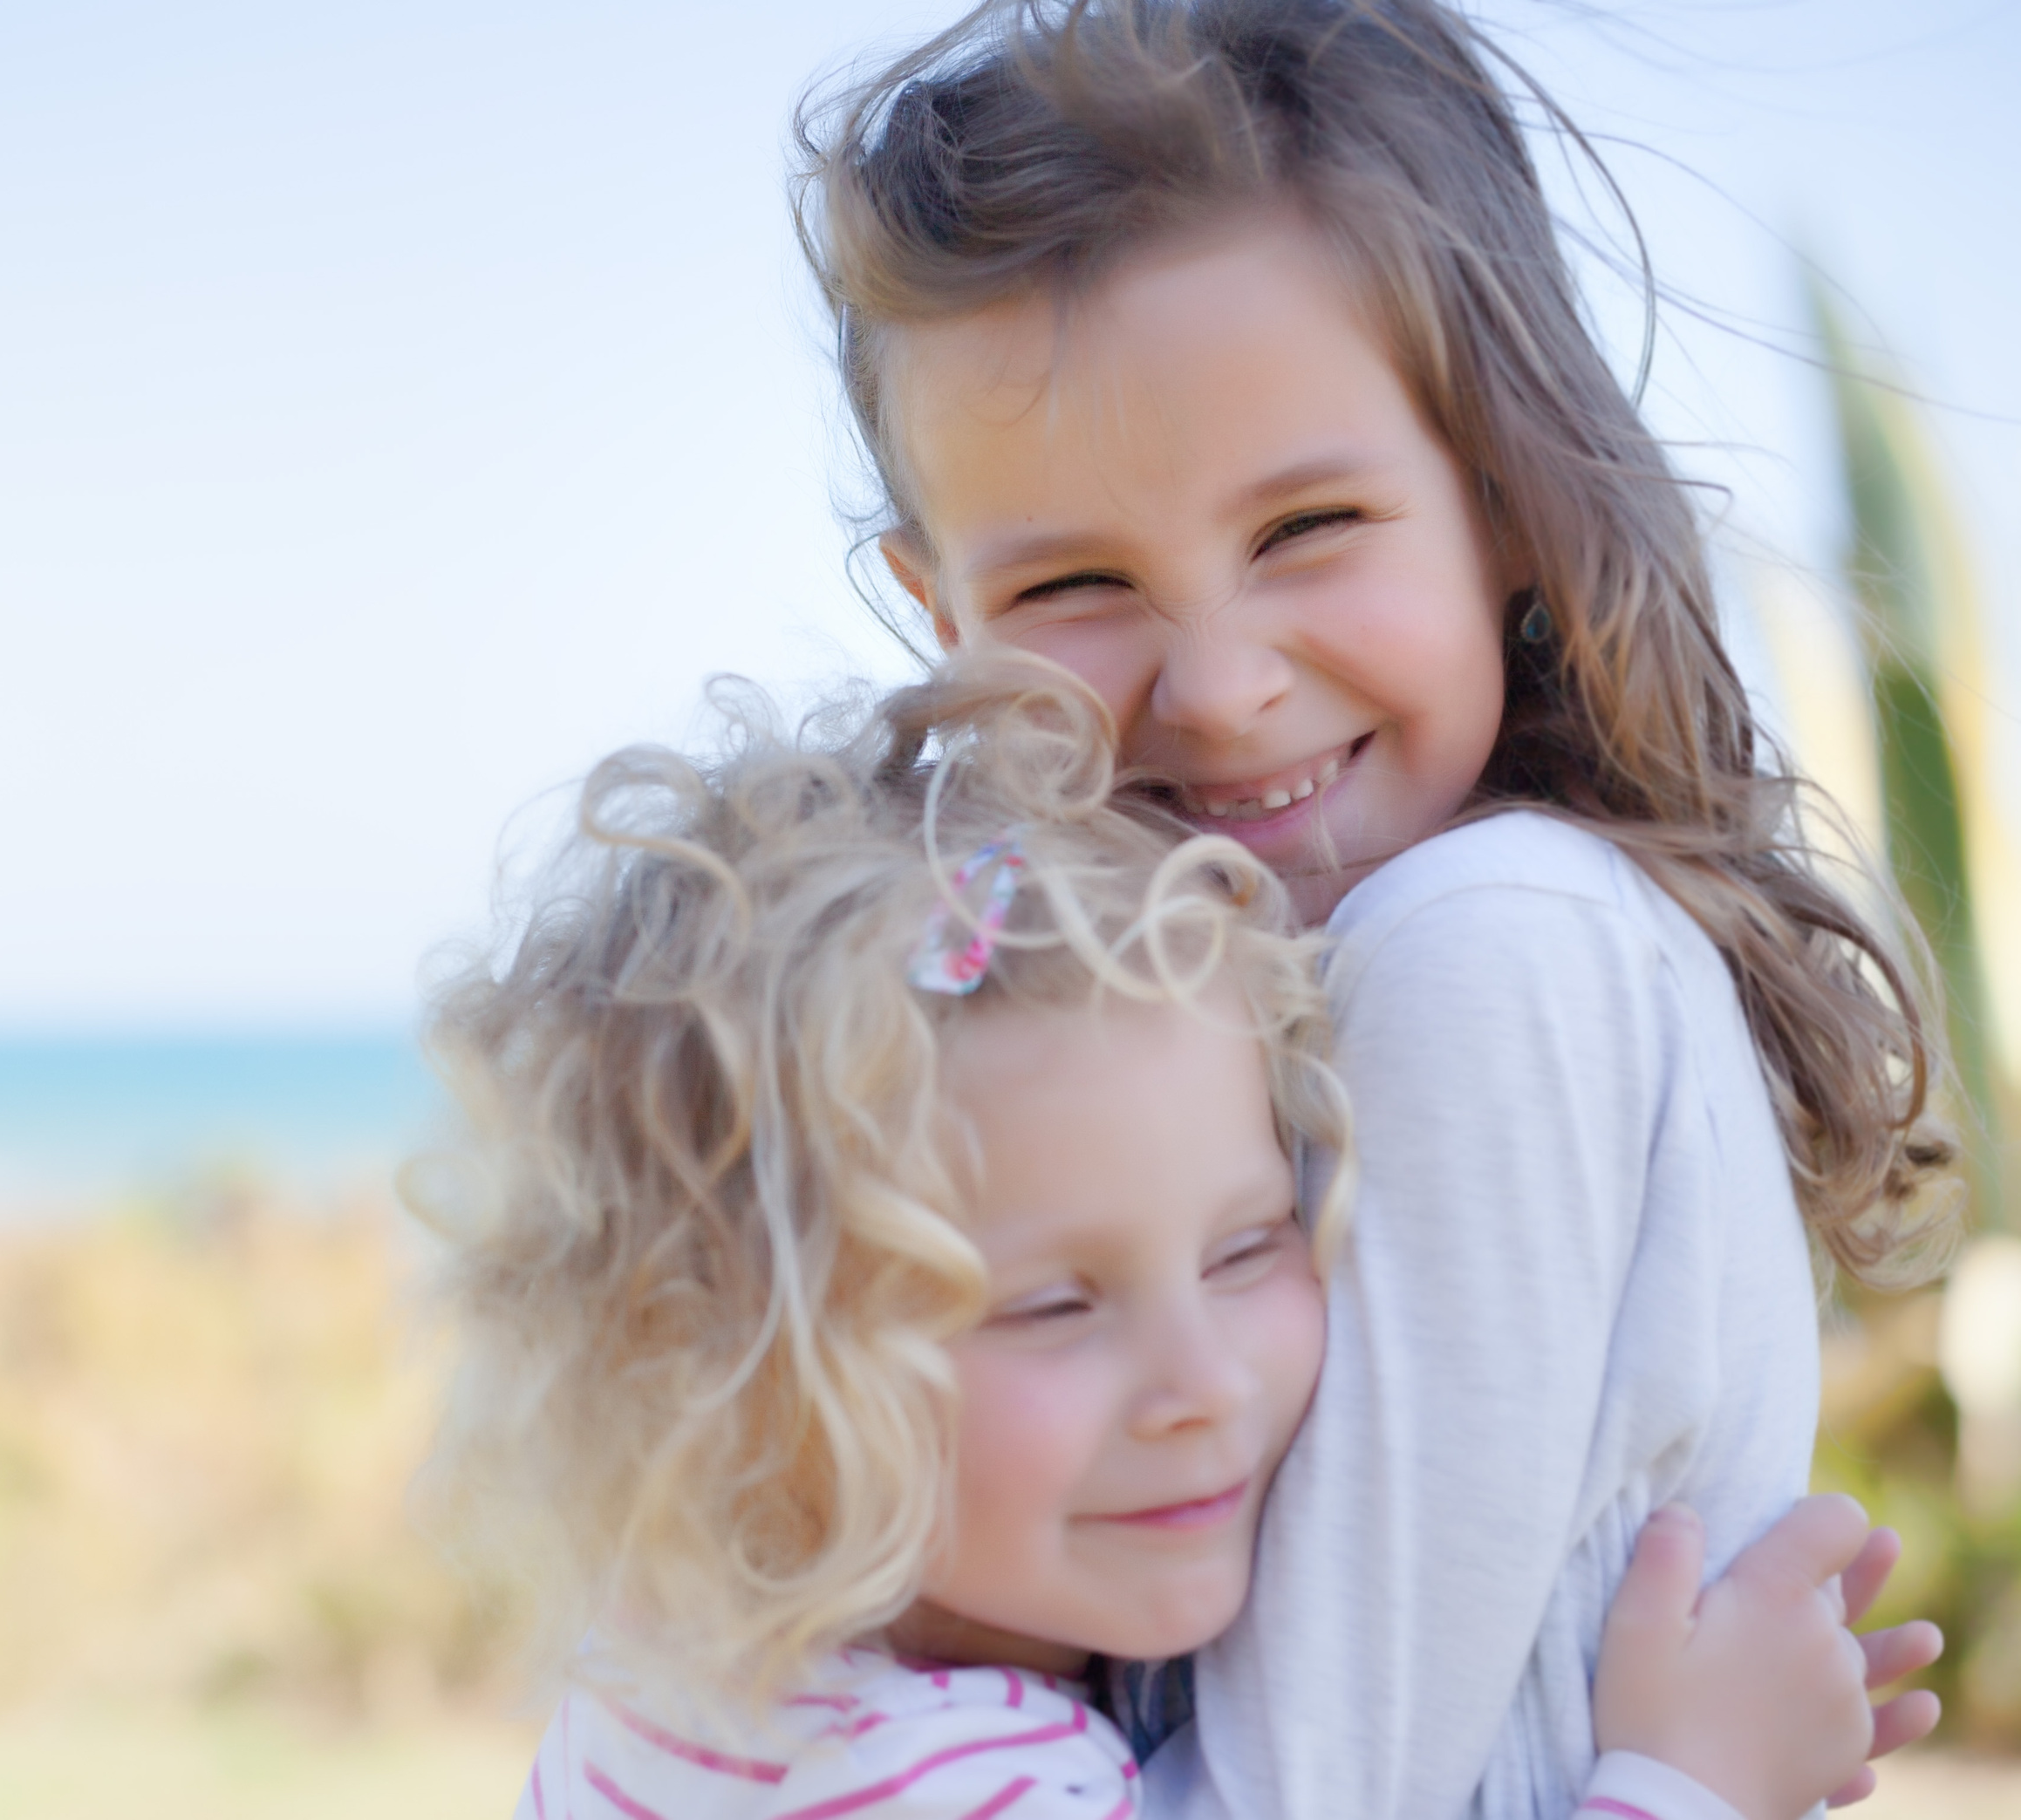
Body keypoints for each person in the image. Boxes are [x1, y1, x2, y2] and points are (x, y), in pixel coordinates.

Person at [790, 4, 1963, 1816]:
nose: (1219, 685)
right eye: (1074, 582)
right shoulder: (1204, 1020)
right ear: (939, 614)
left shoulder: (1484, 951)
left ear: (1501, 493)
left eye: (1305, 528)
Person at [413, 660, 1929, 1820]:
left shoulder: (675, 1680)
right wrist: (1693, 1783)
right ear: (739, 1368)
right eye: (1056, 1306)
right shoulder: (965, 1784)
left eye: (1248, 1250)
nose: (1200, 1381)